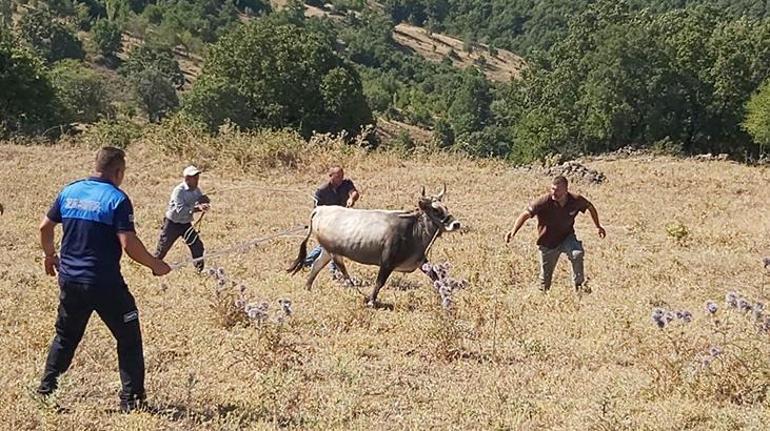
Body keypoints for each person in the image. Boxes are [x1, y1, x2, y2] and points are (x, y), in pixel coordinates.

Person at [37, 147, 171, 413]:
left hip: (70, 280)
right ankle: (132, 401)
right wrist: (156, 265)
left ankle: (46, 393)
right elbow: (128, 243)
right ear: (118, 171)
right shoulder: (117, 199)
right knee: (129, 337)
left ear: (96, 165)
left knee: (65, 337)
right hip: (104, 284)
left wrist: (49, 255)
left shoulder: (70, 191)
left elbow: (45, 226)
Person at [505, 175, 606, 293]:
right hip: (548, 242)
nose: (554, 193)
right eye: (552, 189)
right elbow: (525, 214)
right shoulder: (543, 201)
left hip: (567, 237)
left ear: (566, 190)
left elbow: (590, 207)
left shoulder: (575, 200)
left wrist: (598, 226)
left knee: (577, 254)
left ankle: (580, 287)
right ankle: (542, 300)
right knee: (545, 282)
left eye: (557, 190)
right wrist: (513, 231)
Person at [154, 165, 210, 271]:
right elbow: (181, 210)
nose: (197, 180)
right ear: (187, 179)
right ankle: (154, 268)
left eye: (197, 177)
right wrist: (197, 208)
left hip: (185, 224)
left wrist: (204, 202)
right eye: (194, 178)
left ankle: (199, 270)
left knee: (197, 246)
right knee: (162, 248)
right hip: (172, 223)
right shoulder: (179, 191)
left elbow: (200, 201)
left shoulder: (196, 190)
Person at [303, 166, 359, 269]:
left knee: (329, 245)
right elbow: (317, 210)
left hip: (342, 221)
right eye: (337, 177)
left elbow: (354, 192)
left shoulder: (346, 183)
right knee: (333, 245)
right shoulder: (322, 191)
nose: (340, 179)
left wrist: (351, 198)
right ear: (330, 176)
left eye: (342, 176)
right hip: (328, 223)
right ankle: (334, 270)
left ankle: (307, 262)